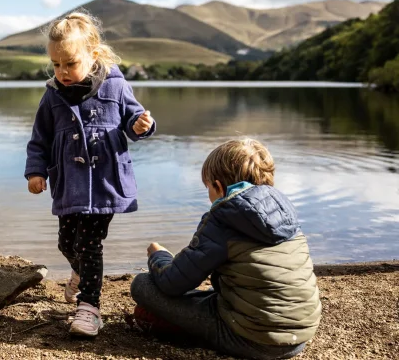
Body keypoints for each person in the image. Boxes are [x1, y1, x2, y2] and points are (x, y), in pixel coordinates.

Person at [25, 10, 156, 337]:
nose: (63, 72)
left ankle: (89, 309)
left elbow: (133, 119)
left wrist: (142, 126)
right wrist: (35, 172)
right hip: (68, 184)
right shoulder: (52, 94)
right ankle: (79, 273)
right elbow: (39, 138)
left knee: (90, 243)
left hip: (105, 182)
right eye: (56, 64)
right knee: (66, 242)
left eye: (70, 63)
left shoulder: (115, 84)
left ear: (93, 55)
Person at [130, 138, 321, 359]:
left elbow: (172, 283)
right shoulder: (285, 213)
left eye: (208, 188)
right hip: (300, 336)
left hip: (253, 339)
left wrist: (159, 256)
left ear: (218, 187)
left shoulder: (223, 218)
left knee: (142, 285)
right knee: (214, 296)